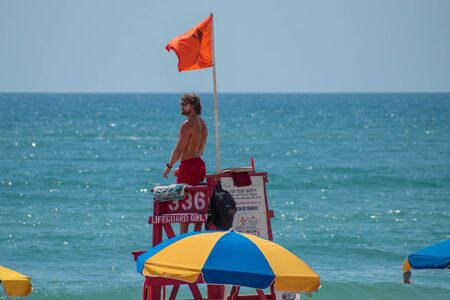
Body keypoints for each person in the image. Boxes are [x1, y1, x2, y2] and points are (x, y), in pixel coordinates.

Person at [163, 93, 207, 233]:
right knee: (197, 205)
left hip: (189, 166)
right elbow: (200, 148)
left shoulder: (187, 124)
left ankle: (183, 239)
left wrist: (169, 166)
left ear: (193, 106)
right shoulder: (202, 123)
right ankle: (196, 236)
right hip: (199, 164)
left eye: (184, 104)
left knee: (184, 207)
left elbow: (179, 149)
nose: (181, 107)